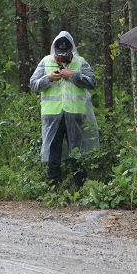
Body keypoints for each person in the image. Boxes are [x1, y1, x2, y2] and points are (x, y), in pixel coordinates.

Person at [29, 31, 99, 188]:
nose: (62, 58)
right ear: (55, 50)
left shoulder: (80, 62)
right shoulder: (46, 61)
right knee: (54, 156)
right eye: (60, 54)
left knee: (77, 155)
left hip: (75, 116)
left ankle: (80, 190)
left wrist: (72, 75)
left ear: (71, 50)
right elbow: (33, 85)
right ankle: (55, 190)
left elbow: (92, 82)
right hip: (52, 116)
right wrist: (48, 79)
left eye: (66, 54)